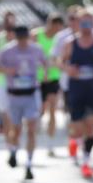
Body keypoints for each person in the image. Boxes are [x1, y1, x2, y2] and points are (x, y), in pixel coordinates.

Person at [59, 7, 93, 178]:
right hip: (75, 89)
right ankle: (74, 142)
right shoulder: (70, 43)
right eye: (83, 22)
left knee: (90, 125)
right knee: (77, 127)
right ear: (77, 23)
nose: (86, 26)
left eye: (89, 22)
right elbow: (60, 62)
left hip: (92, 89)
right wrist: (69, 69)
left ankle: (86, 162)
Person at [0, 26, 48, 181]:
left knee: (31, 129)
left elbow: (45, 62)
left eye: (25, 39)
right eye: (20, 39)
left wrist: (44, 73)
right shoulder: (7, 51)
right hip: (14, 96)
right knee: (16, 130)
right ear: (15, 38)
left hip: (31, 94)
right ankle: (13, 151)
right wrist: (7, 70)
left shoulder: (35, 49)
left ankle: (29, 164)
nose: (23, 42)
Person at [34, 13, 65, 156]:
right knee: (41, 109)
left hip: (53, 77)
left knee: (53, 108)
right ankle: (37, 126)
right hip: (37, 79)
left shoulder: (60, 39)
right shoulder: (36, 35)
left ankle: (50, 143)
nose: (56, 29)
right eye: (53, 25)